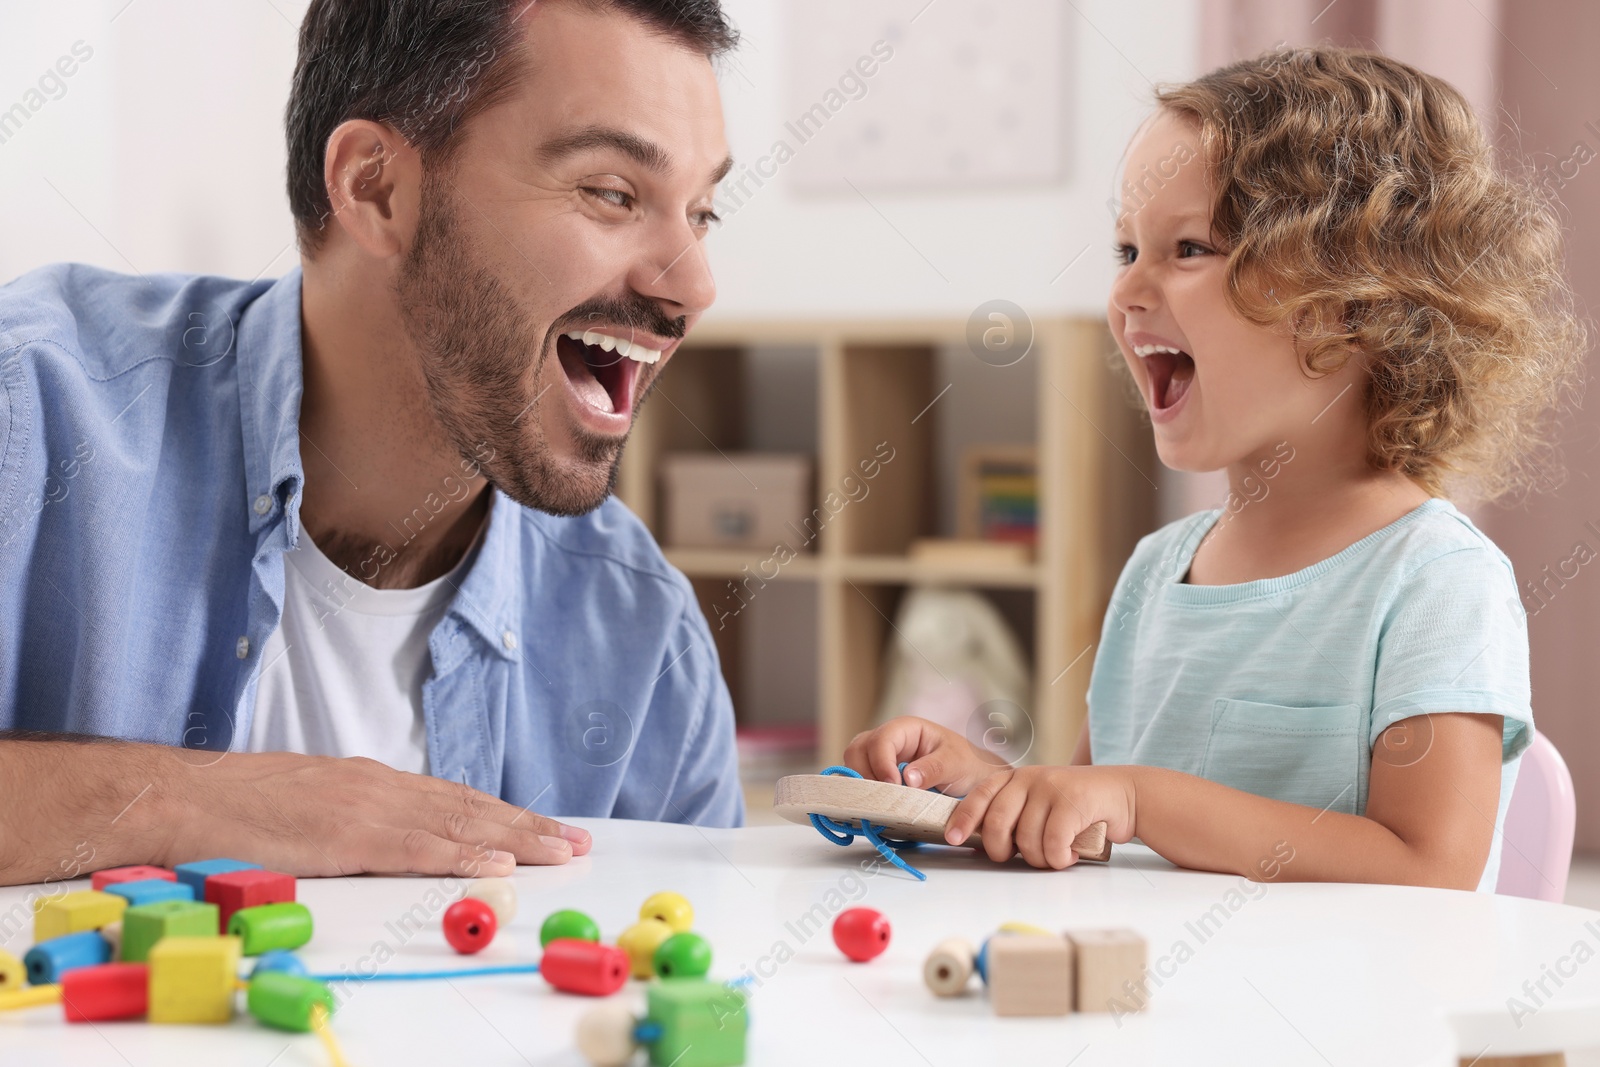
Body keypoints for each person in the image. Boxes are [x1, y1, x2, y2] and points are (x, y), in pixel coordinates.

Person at [0, 0, 746, 887]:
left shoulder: (639, 629)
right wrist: (182, 803)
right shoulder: (34, 415)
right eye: (613, 193)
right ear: (375, 188)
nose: (693, 287)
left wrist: (911, 832)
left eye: (701, 213)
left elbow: (695, 991)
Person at [846, 47, 1586, 891]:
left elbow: (1431, 868)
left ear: (1357, 304)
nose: (1127, 293)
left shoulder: (1437, 583)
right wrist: (997, 791)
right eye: (1127, 250)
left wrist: (1141, 799)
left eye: (1188, 248)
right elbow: (1103, 831)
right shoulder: (1155, 574)